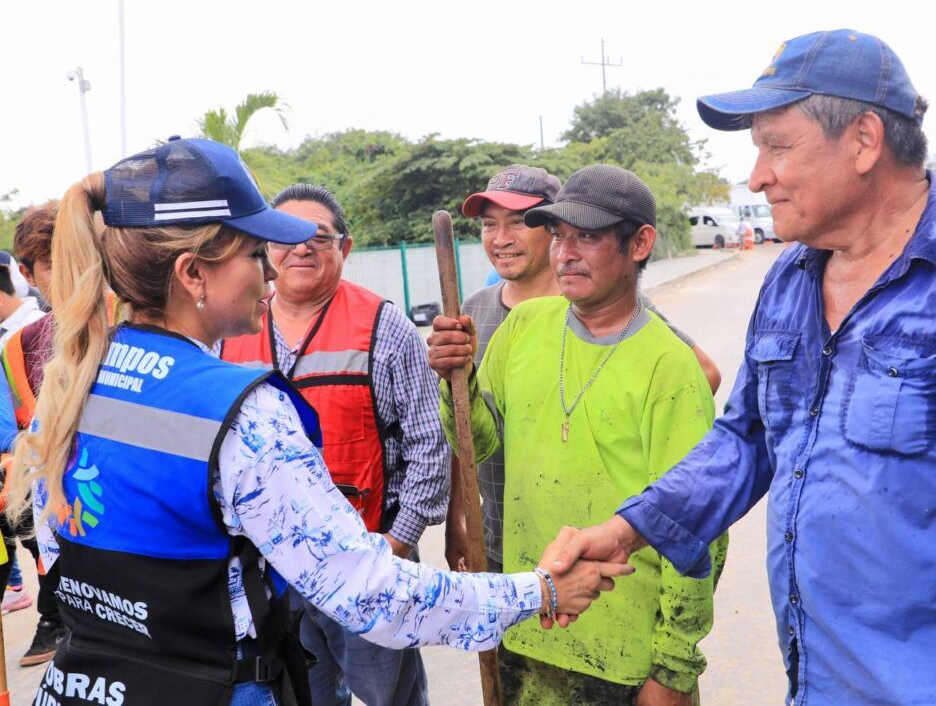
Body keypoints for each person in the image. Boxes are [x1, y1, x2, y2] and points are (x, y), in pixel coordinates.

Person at [4, 137, 629, 706]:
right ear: (193, 274)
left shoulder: (75, 380)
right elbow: (372, 593)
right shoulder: (238, 410)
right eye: (254, 252)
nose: (271, 272)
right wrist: (539, 592)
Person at [547, 30, 936, 704]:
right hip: (821, 682)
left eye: (777, 146)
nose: (757, 176)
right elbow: (746, 437)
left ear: (862, 140)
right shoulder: (791, 279)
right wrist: (628, 528)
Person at [429, 165, 726, 705]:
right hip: (529, 619)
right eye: (560, 235)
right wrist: (459, 381)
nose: (566, 252)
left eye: (586, 236)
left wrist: (674, 669)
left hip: (626, 654)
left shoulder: (669, 367)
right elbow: (483, 441)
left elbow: (699, 526)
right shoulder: (524, 327)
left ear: (640, 243)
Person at [221, 183, 450, 706]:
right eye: (285, 237)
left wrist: (394, 547)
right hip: (270, 569)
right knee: (303, 694)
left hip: (368, 559)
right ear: (262, 248)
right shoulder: (230, 328)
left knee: (390, 694)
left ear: (344, 249)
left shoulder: (383, 325)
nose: (301, 248)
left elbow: (428, 449)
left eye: (319, 238)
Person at [0, 204, 69, 665]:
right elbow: (28, 428)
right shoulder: (20, 346)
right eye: (53, 262)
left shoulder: (141, 321)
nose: (72, 273)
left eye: (78, 256)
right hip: (64, 509)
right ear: (28, 272)